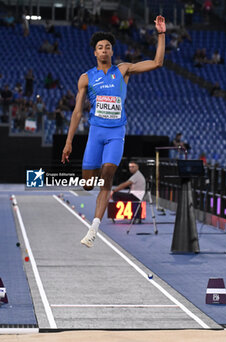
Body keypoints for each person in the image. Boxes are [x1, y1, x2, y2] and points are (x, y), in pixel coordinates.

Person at [61, 15, 166, 248]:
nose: (105, 50)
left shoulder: (123, 70)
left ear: (111, 51)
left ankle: (93, 230)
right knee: (88, 184)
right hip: (95, 134)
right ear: (95, 53)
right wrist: (68, 142)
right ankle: (94, 178)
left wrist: (161, 34)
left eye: (108, 47)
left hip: (116, 133)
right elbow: (77, 113)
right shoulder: (86, 78)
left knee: (108, 174)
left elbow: (157, 62)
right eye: (100, 47)